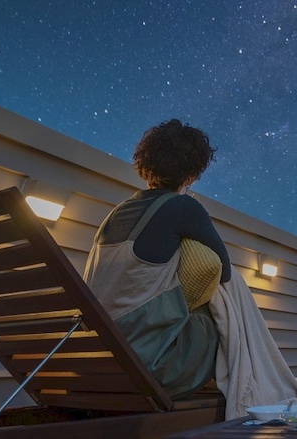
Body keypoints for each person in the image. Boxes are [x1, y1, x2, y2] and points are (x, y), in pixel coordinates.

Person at [83, 119, 230, 399]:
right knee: (220, 307)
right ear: (191, 175)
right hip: (147, 365)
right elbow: (224, 271)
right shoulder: (183, 207)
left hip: (99, 359)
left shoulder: (115, 214)